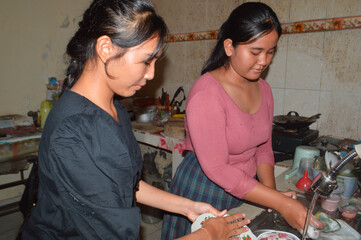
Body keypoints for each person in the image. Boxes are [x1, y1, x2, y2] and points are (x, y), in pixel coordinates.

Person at [20, 0, 250, 239]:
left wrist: (187, 206)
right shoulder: (74, 130)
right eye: (146, 61)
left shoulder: (114, 109)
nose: (151, 74)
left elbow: (125, 185)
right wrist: (210, 234)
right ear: (106, 48)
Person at [161, 2, 324, 239]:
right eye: (255, 52)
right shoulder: (207, 93)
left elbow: (263, 148)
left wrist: (271, 195)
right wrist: (280, 203)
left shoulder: (264, 90)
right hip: (205, 191)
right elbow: (218, 169)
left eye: (271, 52)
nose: (264, 61)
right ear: (229, 47)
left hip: (246, 189)